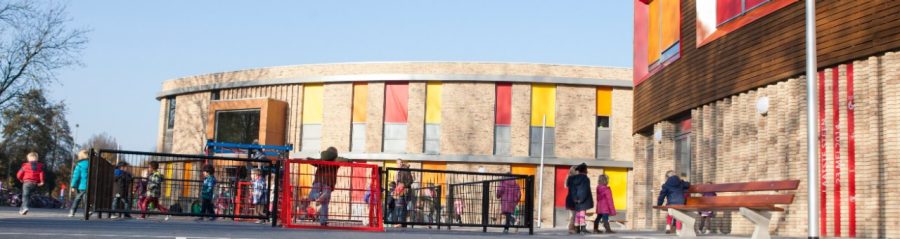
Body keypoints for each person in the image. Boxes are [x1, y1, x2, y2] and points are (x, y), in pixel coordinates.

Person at [302, 147, 341, 226]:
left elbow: (313, 161)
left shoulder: (320, 161)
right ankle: (323, 221)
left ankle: (318, 197)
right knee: (325, 203)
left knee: (312, 196)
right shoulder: (336, 163)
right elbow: (342, 160)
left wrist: (307, 158)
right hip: (328, 183)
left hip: (318, 181)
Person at [565, 163, 593, 234]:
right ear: (585, 170)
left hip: (576, 199)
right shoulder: (586, 179)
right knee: (582, 213)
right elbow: (585, 189)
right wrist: (582, 199)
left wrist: (575, 198)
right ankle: (583, 228)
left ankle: (577, 228)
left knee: (577, 213)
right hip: (583, 200)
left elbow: (573, 189)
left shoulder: (574, 178)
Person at [69, 150, 89, 217]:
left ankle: (72, 211)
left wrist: (73, 186)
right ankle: (87, 211)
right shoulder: (91, 164)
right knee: (86, 199)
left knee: (77, 198)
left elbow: (76, 176)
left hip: (82, 186)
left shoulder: (79, 165)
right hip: (90, 186)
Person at [563, 165, 578, 234]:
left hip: (569, 198)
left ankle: (573, 228)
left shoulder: (569, 178)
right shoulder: (575, 179)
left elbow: (566, 186)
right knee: (574, 215)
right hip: (573, 199)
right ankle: (571, 228)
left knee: (573, 214)